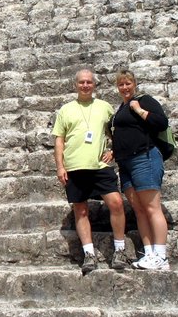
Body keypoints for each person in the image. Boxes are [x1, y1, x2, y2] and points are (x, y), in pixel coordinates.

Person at [52, 69, 127, 275]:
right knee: (81, 210)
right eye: (82, 82)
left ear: (94, 85)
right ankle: (89, 254)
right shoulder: (65, 110)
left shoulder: (104, 107)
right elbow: (59, 140)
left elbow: (117, 131)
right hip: (75, 165)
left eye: (89, 82)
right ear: (75, 85)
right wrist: (60, 166)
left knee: (117, 203)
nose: (85, 85)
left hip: (100, 165)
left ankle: (120, 249)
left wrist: (114, 150)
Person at [109, 69, 171, 271]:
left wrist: (139, 110)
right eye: (121, 84)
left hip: (144, 157)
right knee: (139, 209)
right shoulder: (121, 107)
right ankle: (149, 253)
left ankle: (161, 256)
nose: (125, 88)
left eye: (128, 83)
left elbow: (161, 123)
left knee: (152, 207)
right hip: (125, 162)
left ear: (134, 84)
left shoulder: (143, 101)